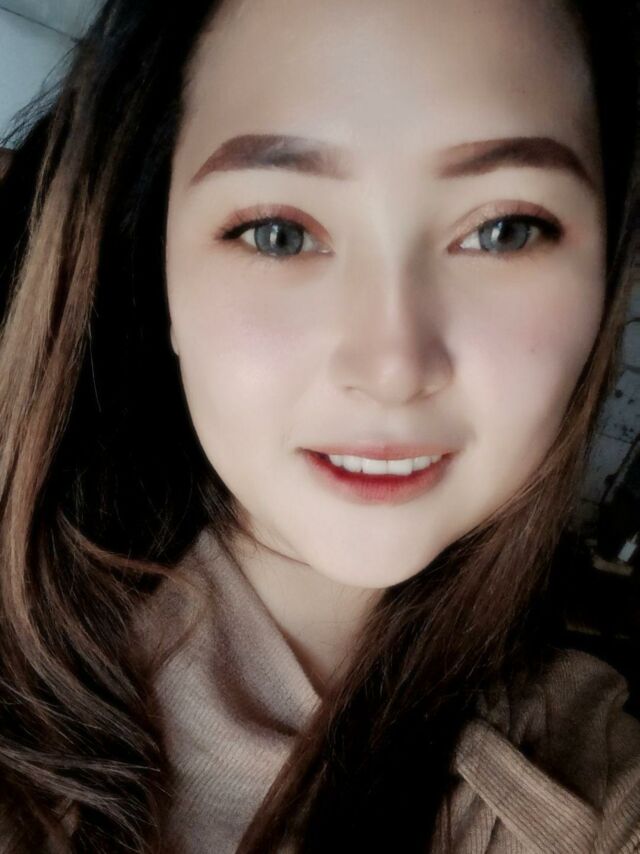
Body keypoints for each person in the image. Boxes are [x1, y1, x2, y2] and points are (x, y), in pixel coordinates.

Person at [0, 0, 638, 851]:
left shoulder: (594, 778)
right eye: (278, 234)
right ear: (161, 280)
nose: (392, 367)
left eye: (503, 230)